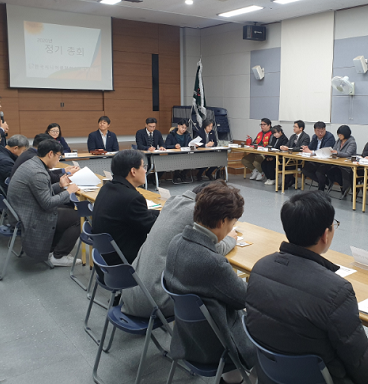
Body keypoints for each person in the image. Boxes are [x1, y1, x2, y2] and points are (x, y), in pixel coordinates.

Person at [246, 191, 368, 384]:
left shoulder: (260, 268)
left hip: (273, 375)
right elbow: (362, 369)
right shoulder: (336, 291)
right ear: (325, 235)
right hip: (326, 379)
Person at [164, 181, 255, 384]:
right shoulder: (212, 263)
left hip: (186, 337)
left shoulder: (176, 242)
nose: (232, 228)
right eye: (232, 223)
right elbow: (245, 298)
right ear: (223, 222)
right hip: (215, 344)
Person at [121, 183, 237, 319]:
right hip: (153, 302)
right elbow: (213, 250)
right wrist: (230, 238)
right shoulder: (196, 214)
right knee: (216, 293)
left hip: (130, 291)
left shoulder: (172, 201)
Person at [7, 140, 81, 266]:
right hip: (30, 217)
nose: (58, 160)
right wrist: (69, 191)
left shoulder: (32, 163)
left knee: (67, 211)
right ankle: (59, 256)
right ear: (50, 154)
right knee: (79, 218)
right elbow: (47, 203)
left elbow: (41, 193)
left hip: (23, 211)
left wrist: (59, 185)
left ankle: (51, 250)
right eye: (58, 156)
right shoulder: (38, 172)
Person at [92, 150, 159, 266]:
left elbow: (140, 215)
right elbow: (153, 227)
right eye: (143, 167)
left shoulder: (107, 187)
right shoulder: (132, 198)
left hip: (103, 259)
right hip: (124, 262)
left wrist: (159, 213)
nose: (145, 171)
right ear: (133, 171)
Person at [10, 133, 79, 182]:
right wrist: (69, 173)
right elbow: (50, 178)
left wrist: (64, 170)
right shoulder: (33, 158)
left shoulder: (29, 153)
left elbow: (48, 174)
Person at [301, 121, 336, 191]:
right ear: (314, 131)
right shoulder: (314, 137)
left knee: (319, 172)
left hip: (326, 162)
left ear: (325, 129)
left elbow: (325, 151)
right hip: (316, 161)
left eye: (322, 131)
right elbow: (310, 147)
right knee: (305, 170)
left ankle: (321, 189)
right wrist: (306, 148)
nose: (320, 133)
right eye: (318, 131)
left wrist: (311, 152)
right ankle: (326, 182)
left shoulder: (330, 137)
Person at [326, 125, 357, 199]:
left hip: (347, 166)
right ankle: (341, 186)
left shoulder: (352, 142)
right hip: (337, 163)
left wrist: (337, 153)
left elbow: (348, 154)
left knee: (339, 172)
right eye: (338, 134)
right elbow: (334, 149)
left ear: (345, 134)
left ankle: (345, 188)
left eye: (341, 134)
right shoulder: (338, 141)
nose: (339, 136)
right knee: (329, 171)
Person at [281, 120, 311, 189]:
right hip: (291, 157)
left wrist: (289, 148)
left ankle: (286, 183)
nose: (294, 128)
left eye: (295, 127)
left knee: (288, 164)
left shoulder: (306, 137)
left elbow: (301, 148)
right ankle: (290, 180)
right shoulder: (293, 136)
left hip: (300, 159)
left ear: (301, 128)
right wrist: (283, 147)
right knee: (282, 163)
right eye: (293, 126)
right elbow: (287, 145)